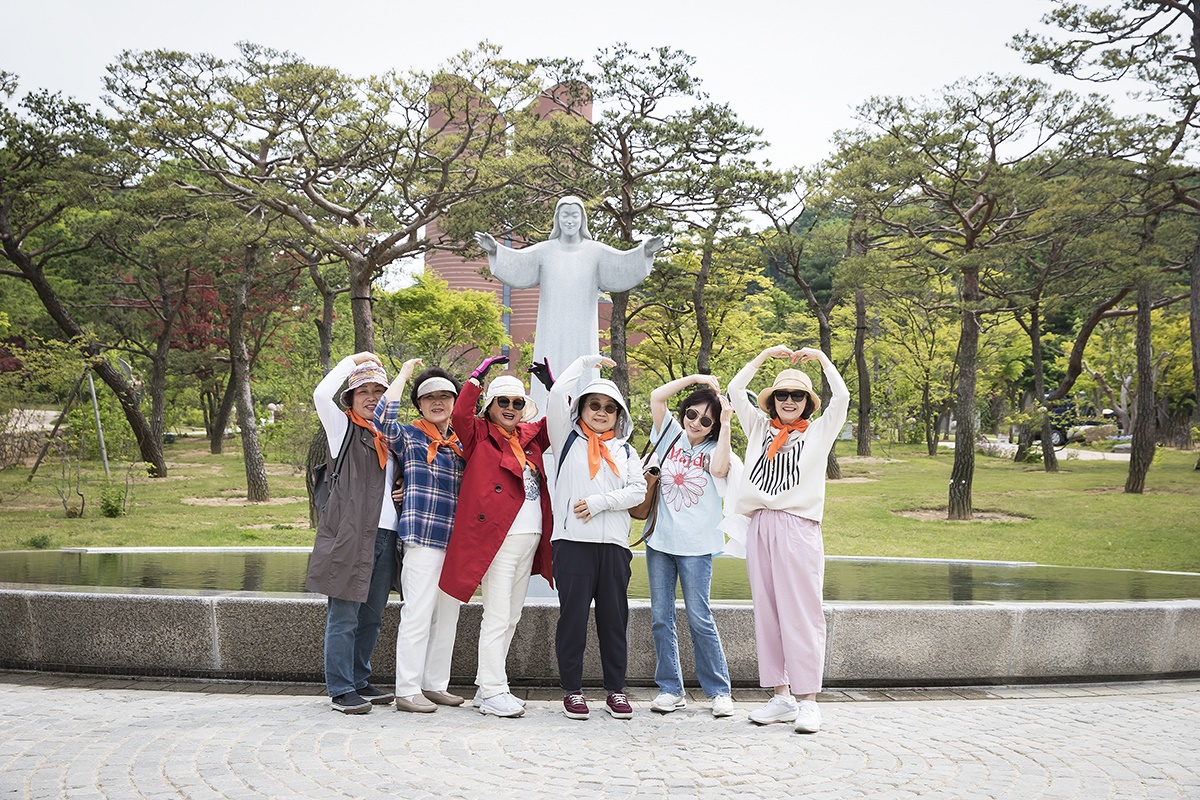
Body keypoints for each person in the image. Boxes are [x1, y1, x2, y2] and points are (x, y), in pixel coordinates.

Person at [727, 345, 849, 734]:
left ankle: (808, 700)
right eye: (782, 394)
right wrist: (762, 357)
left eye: (797, 395)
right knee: (767, 611)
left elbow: (842, 398)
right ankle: (781, 696)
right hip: (761, 524)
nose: (790, 401)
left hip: (798, 526)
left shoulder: (818, 432)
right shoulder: (759, 428)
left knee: (802, 611)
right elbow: (734, 389)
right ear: (773, 400)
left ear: (808, 402)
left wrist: (823, 361)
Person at [439, 356, 554, 718]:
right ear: (490, 406)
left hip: (530, 539)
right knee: (497, 615)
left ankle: (487, 686)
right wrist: (478, 376)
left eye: (517, 402)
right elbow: (460, 414)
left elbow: (561, 421)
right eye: (502, 401)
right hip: (498, 540)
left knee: (512, 616)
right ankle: (492, 691)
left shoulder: (530, 439)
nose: (510, 408)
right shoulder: (478, 435)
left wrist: (553, 388)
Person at [474, 196, 663, 409]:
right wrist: (495, 250)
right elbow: (519, 262)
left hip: (582, 325)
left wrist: (645, 252)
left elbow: (622, 263)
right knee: (549, 361)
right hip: (551, 325)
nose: (570, 220)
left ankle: (583, 412)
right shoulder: (545, 250)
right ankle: (543, 414)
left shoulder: (595, 251)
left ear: (582, 219)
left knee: (583, 363)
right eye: (565, 215)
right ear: (557, 218)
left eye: (575, 215)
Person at [546, 354, 646, 720]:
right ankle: (572, 691)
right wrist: (585, 363)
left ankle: (615, 690)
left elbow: (638, 491)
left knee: (614, 621)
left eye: (609, 407)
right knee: (572, 619)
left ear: (619, 415)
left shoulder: (626, 450)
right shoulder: (565, 440)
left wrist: (600, 502)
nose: (601, 412)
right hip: (572, 544)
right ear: (582, 409)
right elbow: (557, 393)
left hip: (614, 548)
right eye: (594, 405)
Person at [306, 352, 398, 714]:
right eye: (364, 391)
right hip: (351, 536)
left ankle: (360, 679)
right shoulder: (342, 428)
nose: (372, 397)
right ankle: (341, 688)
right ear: (351, 397)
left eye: (379, 391)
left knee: (372, 616)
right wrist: (352, 361)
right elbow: (320, 394)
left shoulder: (390, 436)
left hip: (386, 535)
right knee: (344, 616)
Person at [374, 359, 466, 713]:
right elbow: (382, 418)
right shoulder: (410, 437)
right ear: (419, 404)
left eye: (445, 395)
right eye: (429, 397)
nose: (437, 401)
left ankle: (434, 683)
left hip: (456, 543)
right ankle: (407, 689)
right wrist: (403, 375)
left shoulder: (462, 444)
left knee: (448, 616)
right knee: (417, 613)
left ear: (455, 401)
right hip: (423, 538)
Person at [644, 375, 736, 718]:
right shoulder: (670, 435)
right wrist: (696, 379)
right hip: (660, 542)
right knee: (660, 618)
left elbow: (721, 469)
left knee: (700, 618)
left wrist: (725, 423)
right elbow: (657, 396)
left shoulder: (715, 448)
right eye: (692, 414)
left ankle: (719, 691)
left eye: (706, 420)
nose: (696, 423)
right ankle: (670, 689)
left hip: (697, 546)